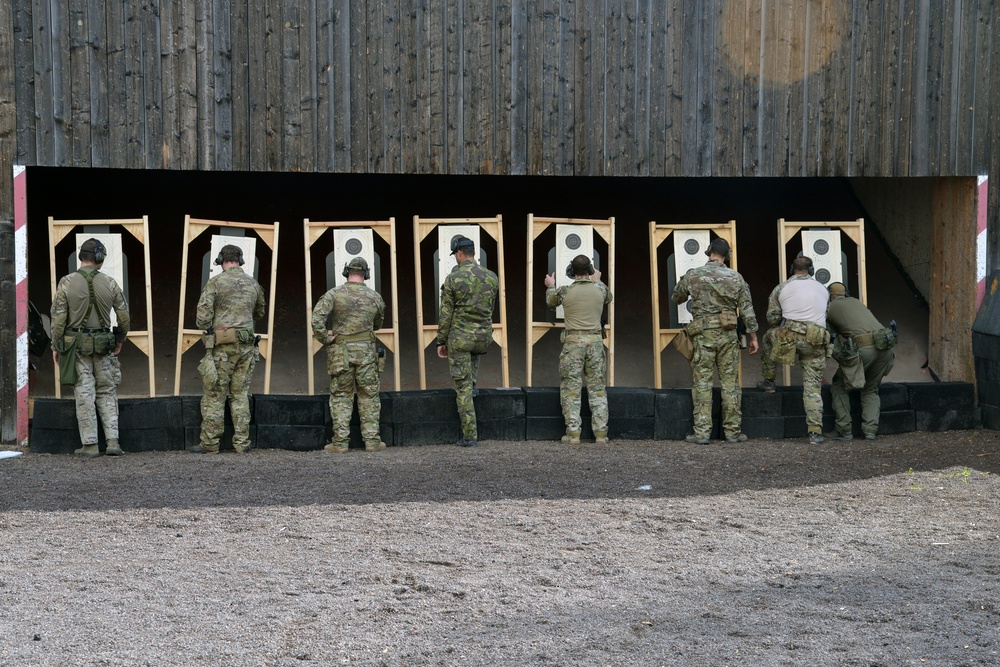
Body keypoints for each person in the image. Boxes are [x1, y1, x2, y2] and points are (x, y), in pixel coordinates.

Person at [671, 237, 759, 444]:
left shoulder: (694, 275)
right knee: (730, 384)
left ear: (709, 253)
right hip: (728, 335)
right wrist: (753, 337)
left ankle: (702, 433)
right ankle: (733, 433)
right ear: (726, 255)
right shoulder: (736, 277)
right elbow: (747, 311)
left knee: (702, 383)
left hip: (703, 335)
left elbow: (677, 298)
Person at [50, 238, 131, 457]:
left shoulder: (66, 282)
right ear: (99, 258)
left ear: (81, 257)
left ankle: (90, 445)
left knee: (84, 393)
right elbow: (124, 316)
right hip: (105, 346)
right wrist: (120, 339)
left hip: (76, 348)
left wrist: (56, 345)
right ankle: (113, 443)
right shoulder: (111, 283)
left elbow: (58, 319)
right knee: (107, 391)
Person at [191, 244, 266, 454]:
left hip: (222, 348)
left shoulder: (215, 282)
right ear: (240, 260)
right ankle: (242, 443)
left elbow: (202, 318)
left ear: (221, 259)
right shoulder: (253, 284)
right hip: (247, 346)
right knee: (240, 394)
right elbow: (259, 312)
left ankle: (210, 444)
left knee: (215, 394)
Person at [311, 257, 387, 453]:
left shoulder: (334, 294)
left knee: (341, 396)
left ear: (346, 272)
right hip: (366, 353)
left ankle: (340, 443)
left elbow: (317, 319)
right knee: (369, 395)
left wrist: (326, 339)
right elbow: (378, 324)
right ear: (366, 274)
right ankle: (372, 441)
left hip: (341, 352)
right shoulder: (375, 297)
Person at [436, 235, 500, 448]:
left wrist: (440, 341)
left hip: (460, 339)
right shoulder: (491, 277)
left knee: (462, 387)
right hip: (482, 338)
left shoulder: (453, 279)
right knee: (471, 381)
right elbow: (489, 308)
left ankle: (470, 436)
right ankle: (472, 395)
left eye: (455, 254)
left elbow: (446, 314)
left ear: (459, 253)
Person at [544, 254, 614, 445]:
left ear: (571, 271)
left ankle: (573, 433)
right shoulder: (600, 289)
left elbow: (550, 301)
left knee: (571, 388)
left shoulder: (565, 291)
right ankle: (601, 433)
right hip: (596, 342)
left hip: (573, 343)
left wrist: (550, 284)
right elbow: (609, 296)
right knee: (597, 388)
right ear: (590, 271)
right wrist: (597, 279)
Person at [762, 255, 831, 444]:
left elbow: (773, 318)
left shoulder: (782, 288)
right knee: (812, 389)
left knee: (768, 338)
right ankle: (815, 433)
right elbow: (825, 314)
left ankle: (769, 381)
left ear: (792, 269)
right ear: (812, 270)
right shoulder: (823, 288)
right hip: (816, 340)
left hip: (790, 338)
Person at [825, 282, 896, 440]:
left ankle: (844, 430)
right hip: (885, 347)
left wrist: (845, 361)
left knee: (839, 386)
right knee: (870, 389)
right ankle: (870, 431)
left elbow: (832, 341)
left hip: (864, 350)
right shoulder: (857, 302)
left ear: (829, 296)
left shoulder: (829, 309)